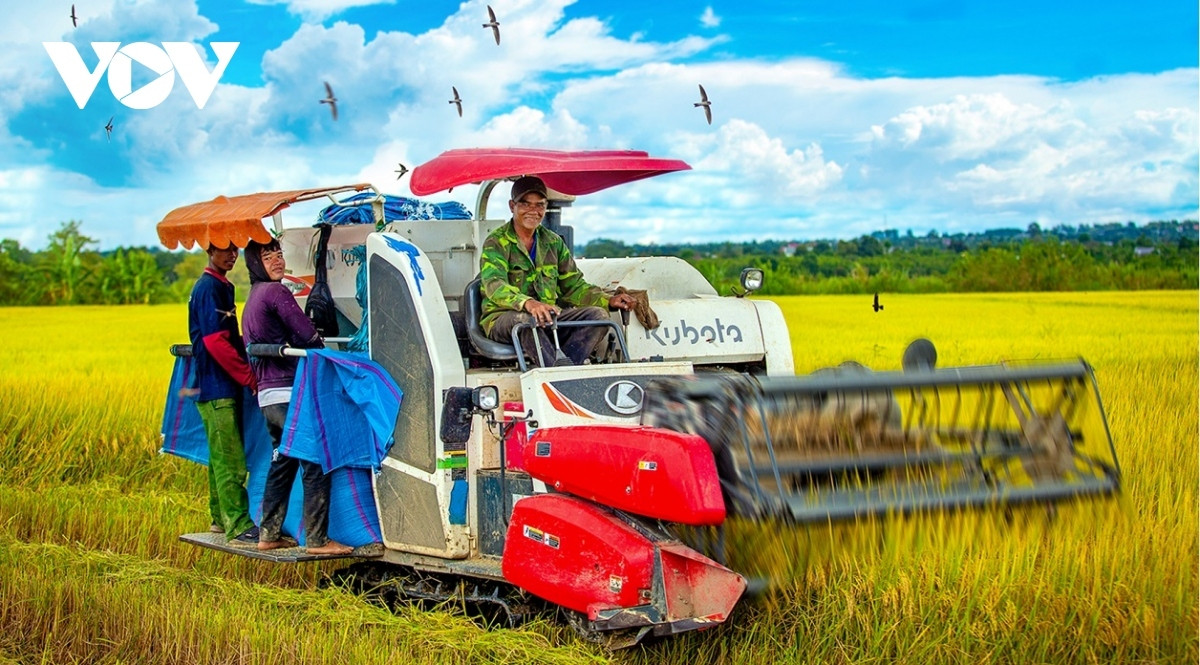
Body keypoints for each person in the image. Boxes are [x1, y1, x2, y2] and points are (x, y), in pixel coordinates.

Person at [242, 239, 353, 555]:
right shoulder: (276, 293)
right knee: (316, 456)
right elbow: (306, 334)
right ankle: (318, 540)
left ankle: (269, 533)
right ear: (255, 263)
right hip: (290, 392)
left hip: (268, 397)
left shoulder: (252, 298)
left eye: (279, 253)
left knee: (283, 459)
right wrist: (319, 342)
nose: (277, 260)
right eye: (267, 256)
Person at [479, 176, 637, 366]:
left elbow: (574, 287)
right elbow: (494, 284)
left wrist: (608, 300)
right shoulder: (496, 242)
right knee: (528, 321)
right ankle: (555, 375)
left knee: (599, 316)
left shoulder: (553, 242)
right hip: (504, 319)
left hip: (548, 319)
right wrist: (529, 303)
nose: (533, 211)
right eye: (525, 204)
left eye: (540, 205)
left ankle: (567, 369)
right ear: (512, 206)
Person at [188, 243, 260, 543]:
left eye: (235, 250)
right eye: (224, 250)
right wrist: (248, 376)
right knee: (230, 459)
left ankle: (219, 518)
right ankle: (239, 523)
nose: (231, 255)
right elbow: (217, 341)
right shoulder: (209, 288)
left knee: (220, 456)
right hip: (217, 386)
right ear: (209, 251)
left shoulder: (221, 285)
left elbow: (227, 334)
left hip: (218, 385)